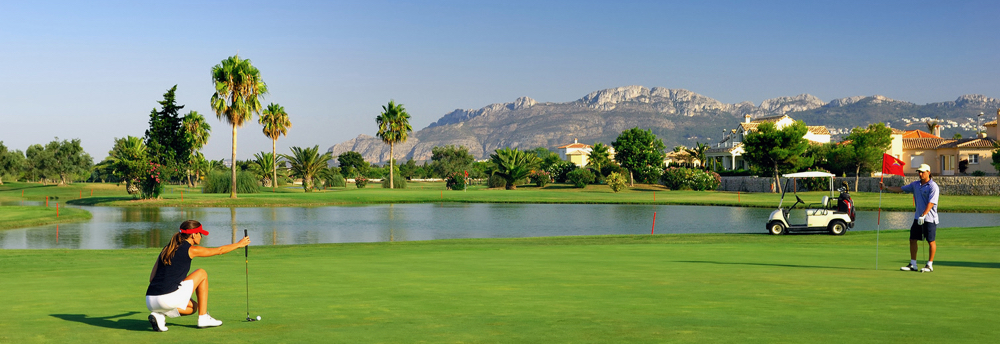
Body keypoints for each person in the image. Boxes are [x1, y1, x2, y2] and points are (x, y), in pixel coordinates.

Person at [145, 220, 251, 331]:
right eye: (200, 234)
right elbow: (219, 250)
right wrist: (239, 244)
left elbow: (151, 278)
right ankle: (203, 318)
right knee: (202, 273)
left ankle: (159, 315)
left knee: (193, 307)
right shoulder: (191, 249)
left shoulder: (166, 249)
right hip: (167, 299)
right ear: (193, 235)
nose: (201, 236)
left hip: (150, 301)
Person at [880, 163, 939, 273]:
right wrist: (886, 187)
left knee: (931, 241)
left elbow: (931, 203)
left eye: (922, 172)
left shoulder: (933, 186)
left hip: (929, 218)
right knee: (912, 239)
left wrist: (924, 215)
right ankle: (913, 264)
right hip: (918, 218)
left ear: (928, 173)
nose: (920, 174)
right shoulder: (915, 184)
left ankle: (929, 265)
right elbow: (901, 189)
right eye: (919, 172)